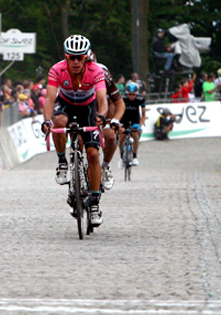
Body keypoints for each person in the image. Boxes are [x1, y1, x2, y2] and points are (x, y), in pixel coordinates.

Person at [41, 35, 107, 226]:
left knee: (93, 154)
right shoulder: (57, 69)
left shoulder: (96, 70)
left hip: (88, 107)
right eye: (72, 57)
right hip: (66, 104)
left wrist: (102, 116)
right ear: (66, 57)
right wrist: (47, 121)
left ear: (86, 57)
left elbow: (102, 99)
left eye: (80, 57)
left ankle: (94, 204)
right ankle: (62, 162)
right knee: (58, 121)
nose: (76, 62)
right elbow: (50, 99)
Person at [86, 49, 125, 191]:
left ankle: (106, 166)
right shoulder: (73, 71)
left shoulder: (103, 73)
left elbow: (115, 102)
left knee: (109, 136)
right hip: (85, 107)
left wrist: (114, 120)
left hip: (104, 106)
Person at [118, 83, 146, 167]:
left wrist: (139, 126)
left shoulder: (140, 99)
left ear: (136, 94)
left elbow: (144, 115)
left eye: (133, 94)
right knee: (121, 138)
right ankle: (121, 156)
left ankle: (134, 156)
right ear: (127, 93)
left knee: (135, 135)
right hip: (124, 119)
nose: (131, 96)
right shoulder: (123, 98)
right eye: (130, 94)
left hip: (135, 119)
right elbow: (117, 110)